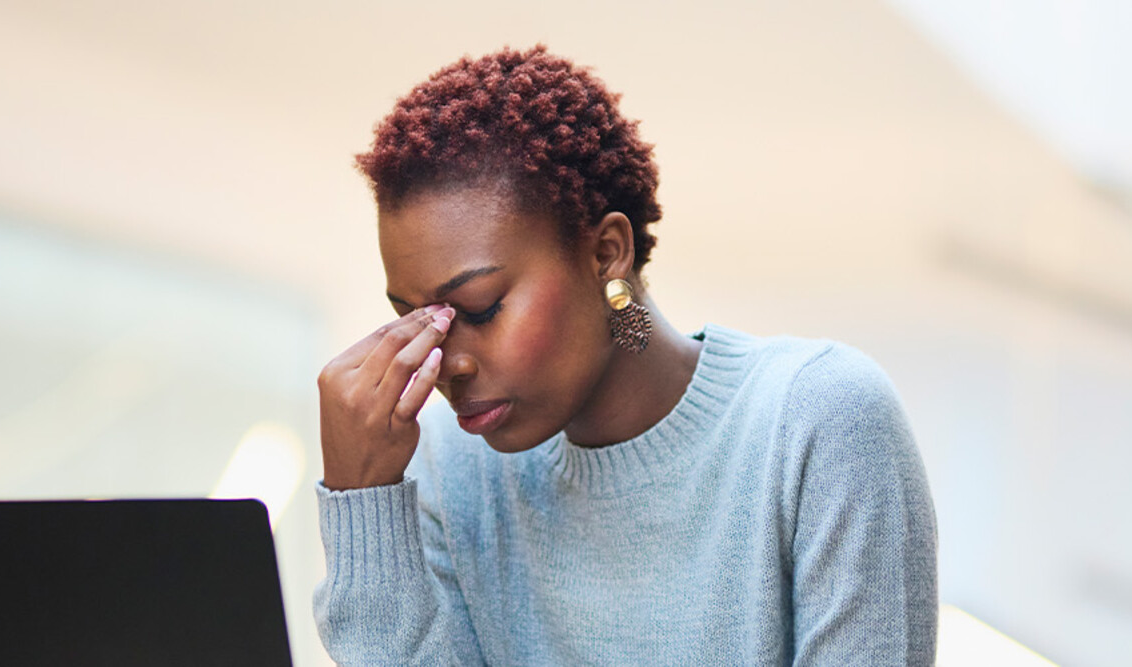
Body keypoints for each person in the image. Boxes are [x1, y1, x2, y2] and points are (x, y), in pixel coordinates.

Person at [313, 44, 937, 665]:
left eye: (478, 310)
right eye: (415, 321)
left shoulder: (815, 421)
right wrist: (361, 506)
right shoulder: (454, 474)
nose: (449, 362)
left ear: (607, 252)